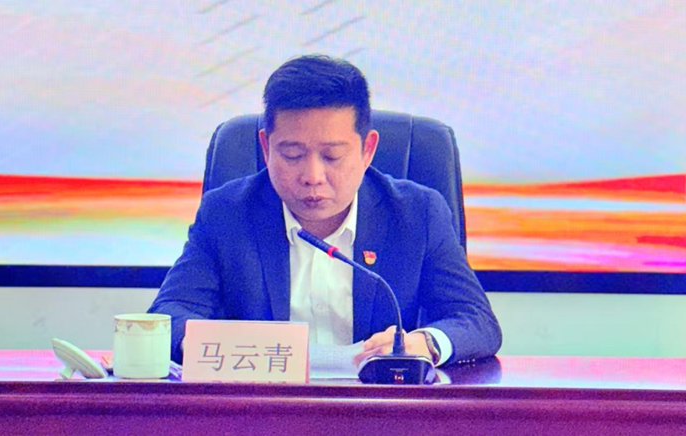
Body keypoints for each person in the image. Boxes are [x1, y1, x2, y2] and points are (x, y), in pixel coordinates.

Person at [149, 55, 501, 366]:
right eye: (292, 155)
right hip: (264, 405)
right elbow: (169, 315)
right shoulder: (226, 213)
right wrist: (214, 347)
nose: (313, 176)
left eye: (332, 156)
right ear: (266, 147)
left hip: (377, 407)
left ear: (367, 150)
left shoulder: (417, 213)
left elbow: (476, 320)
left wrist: (425, 344)